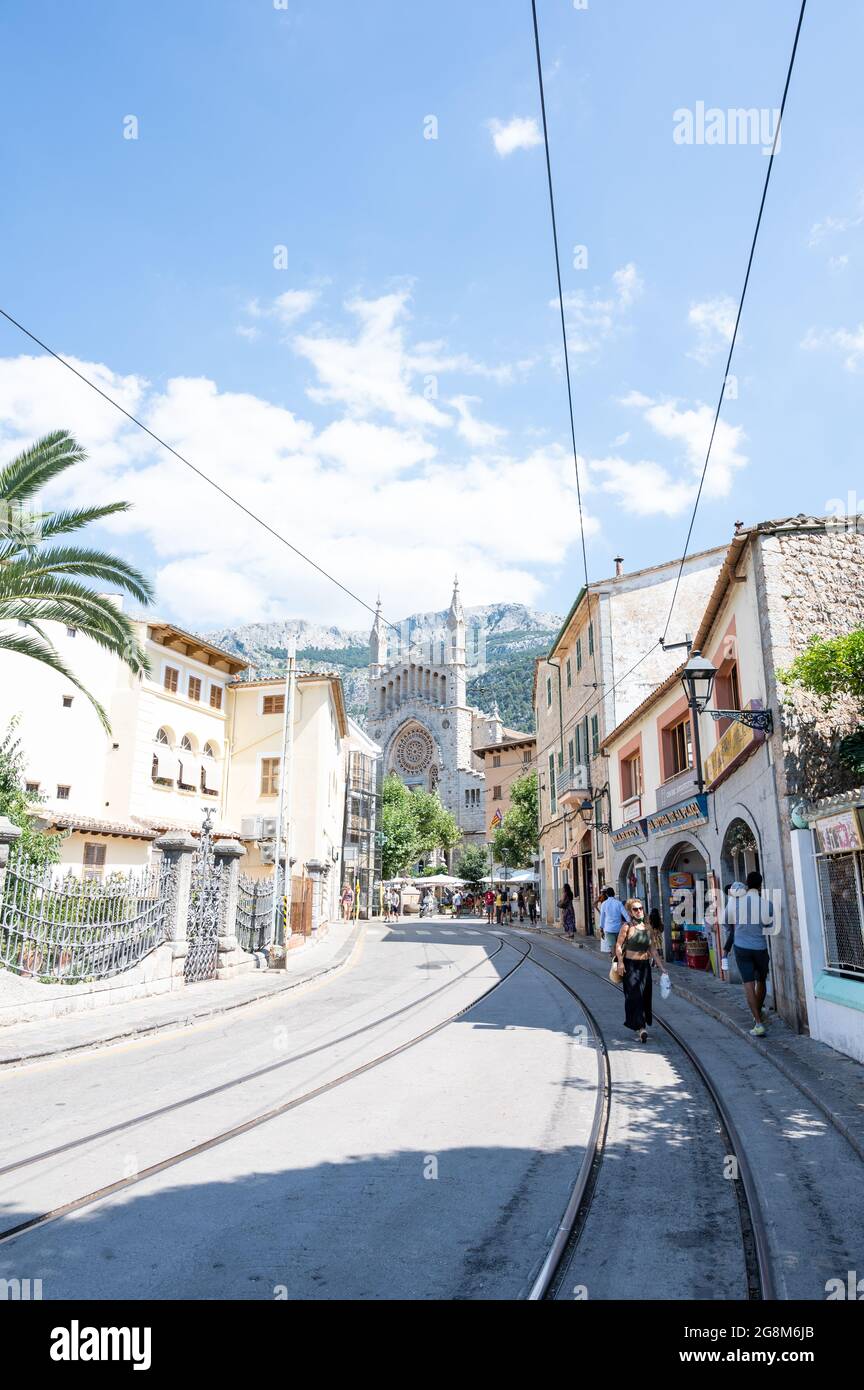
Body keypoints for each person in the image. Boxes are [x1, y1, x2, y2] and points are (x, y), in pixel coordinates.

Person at [723, 871, 774, 1037]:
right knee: (761, 981)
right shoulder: (766, 904)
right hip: (760, 946)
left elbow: (726, 923)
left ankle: (757, 1021)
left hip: (741, 946)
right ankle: (758, 1015)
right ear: (760, 885)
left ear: (746, 883)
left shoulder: (735, 903)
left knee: (748, 984)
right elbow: (769, 924)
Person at [615, 899, 667, 1043]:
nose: (639, 911)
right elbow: (618, 946)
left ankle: (640, 1024)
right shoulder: (627, 927)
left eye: (641, 908)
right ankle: (641, 1027)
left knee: (645, 996)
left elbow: (653, 950)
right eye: (635, 909)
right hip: (630, 966)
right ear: (630, 912)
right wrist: (620, 961)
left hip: (644, 966)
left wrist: (662, 968)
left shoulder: (647, 928)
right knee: (634, 995)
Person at [596, 885, 631, 953]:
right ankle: (619, 959)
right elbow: (626, 915)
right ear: (614, 894)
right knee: (619, 946)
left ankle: (614, 960)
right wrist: (630, 922)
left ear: (606, 894)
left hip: (608, 929)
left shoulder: (604, 904)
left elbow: (602, 917)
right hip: (618, 928)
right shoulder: (619, 903)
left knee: (612, 946)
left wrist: (601, 928)